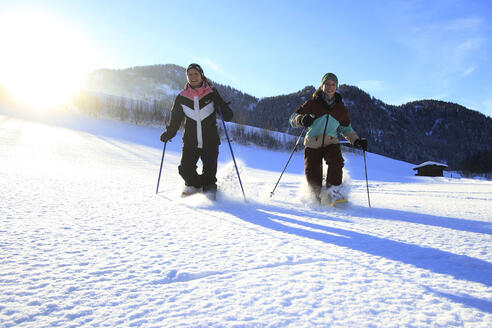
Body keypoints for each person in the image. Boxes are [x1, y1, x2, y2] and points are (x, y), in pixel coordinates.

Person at [289, 72, 367, 203]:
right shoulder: (312, 103)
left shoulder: (340, 109)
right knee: (312, 172)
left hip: (331, 142)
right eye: (327, 84)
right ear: (322, 85)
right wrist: (302, 119)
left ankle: (333, 193)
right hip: (312, 143)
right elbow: (292, 119)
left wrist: (356, 141)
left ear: (336, 87)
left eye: (333, 84)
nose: (330, 87)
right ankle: (315, 197)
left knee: (336, 162)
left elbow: (346, 129)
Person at [160, 63, 233, 199]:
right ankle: (195, 186)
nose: (193, 77)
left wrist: (219, 102)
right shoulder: (182, 97)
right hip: (190, 142)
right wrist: (169, 133)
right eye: (189, 74)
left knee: (209, 175)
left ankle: (209, 192)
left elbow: (228, 116)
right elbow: (175, 119)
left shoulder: (211, 94)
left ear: (201, 75)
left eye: (196, 74)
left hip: (210, 142)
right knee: (185, 170)